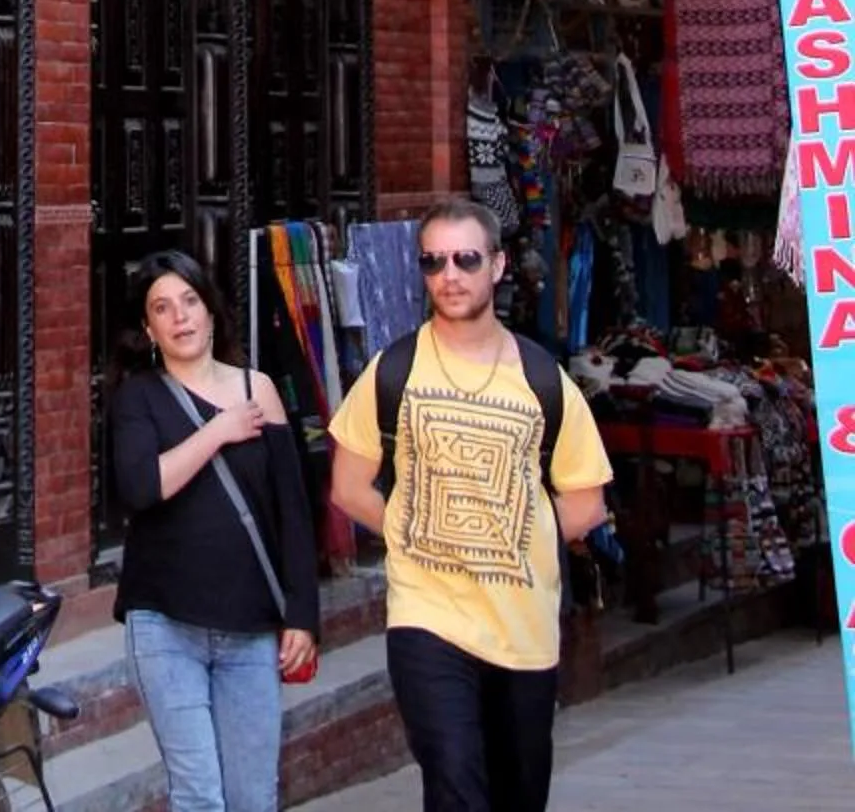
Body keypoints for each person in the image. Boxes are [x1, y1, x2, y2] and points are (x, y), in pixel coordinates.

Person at [328, 195, 612, 812]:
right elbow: (348, 486)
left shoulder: (542, 379)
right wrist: (408, 531)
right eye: (433, 263)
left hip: (523, 628)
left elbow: (587, 503)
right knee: (454, 780)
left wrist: (512, 532)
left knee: (517, 792)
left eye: (465, 259)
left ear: (498, 265)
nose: (449, 275)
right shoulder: (393, 371)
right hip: (428, 617)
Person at [108, 249, 320, 812]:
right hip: (165, 624)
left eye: (189, 302)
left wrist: (301, 613)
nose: (180, 318)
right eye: (162, 309)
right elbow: (142, 487)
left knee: (253, 796)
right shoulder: (138, 398)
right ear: (148, 328)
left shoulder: (261, 390)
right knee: (199, 795)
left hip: (250, 626)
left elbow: (293, 511)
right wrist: (220, 430)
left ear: (210, 310)